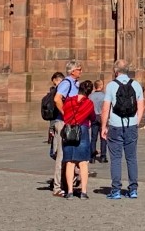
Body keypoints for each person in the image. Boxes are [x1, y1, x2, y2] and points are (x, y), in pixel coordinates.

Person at [100, 59, 145, 199]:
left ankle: (116, 190)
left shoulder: (111, 86)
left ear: (115, 71)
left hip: (115, 126)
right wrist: (135, 122)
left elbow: (106, 108)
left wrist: (103, 126)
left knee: (116, 159)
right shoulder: (136, 85)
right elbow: (141, 107)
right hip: (131, 125)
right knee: (131, 158)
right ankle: (133, 190)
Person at [62, 79, 97, 198]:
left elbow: (64, 113)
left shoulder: (68, 101)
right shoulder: (88, 103)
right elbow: (92, 117)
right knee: (83, 162)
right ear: (89, 92)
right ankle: (84, 192)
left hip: (68, 130)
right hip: (82, 130)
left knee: (70, 162)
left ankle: (70, 191)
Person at [52, 62, 81, 196]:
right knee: (62, 155)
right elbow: (57, 99)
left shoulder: (75, 84)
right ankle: (57, 187)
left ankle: (68, 183)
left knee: (71, 153)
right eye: (78, 69)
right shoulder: (66, 83)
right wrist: (66, 114)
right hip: (63, 122)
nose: (81, 71)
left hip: (72, 122)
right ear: (72, 71)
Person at [89, 79, 107, 163]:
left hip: (93, 116)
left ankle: (92, 157)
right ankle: (103, 156)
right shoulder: (104, 96)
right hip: (102, 116)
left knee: (93, 137)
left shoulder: (90, 96)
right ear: (101, 86)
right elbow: (106, 108)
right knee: (103, 137)